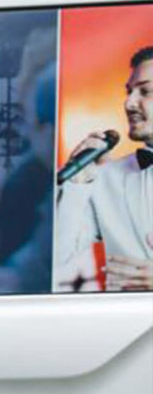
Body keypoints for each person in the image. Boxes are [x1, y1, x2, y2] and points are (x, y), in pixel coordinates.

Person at [55, 45, 153, 292]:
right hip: (122, 317)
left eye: (145, 91)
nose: (129, 103)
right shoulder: (108, 176)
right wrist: (77, 184)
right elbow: (58, 256)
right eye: (129, 92)